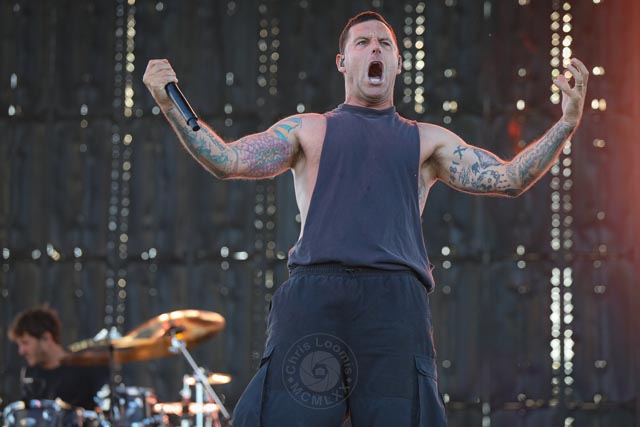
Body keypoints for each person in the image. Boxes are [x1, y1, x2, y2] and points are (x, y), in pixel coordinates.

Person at [143, 10, 587, 427]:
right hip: (316, 298)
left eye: (384, 44)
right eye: (363, 42)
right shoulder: (308, 129)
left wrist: (565, 124)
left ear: (398, 63)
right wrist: (170, 103)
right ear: (342, 62)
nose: (375, 48)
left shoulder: (427, 141)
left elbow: (509, 178)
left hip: (394, 307)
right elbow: (228, 160)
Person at [8, 305, 109, 410]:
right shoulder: (30, 374)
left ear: (46, 338)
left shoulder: (84, 369)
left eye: (25, 343)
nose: (21, 351)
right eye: (19, 345)